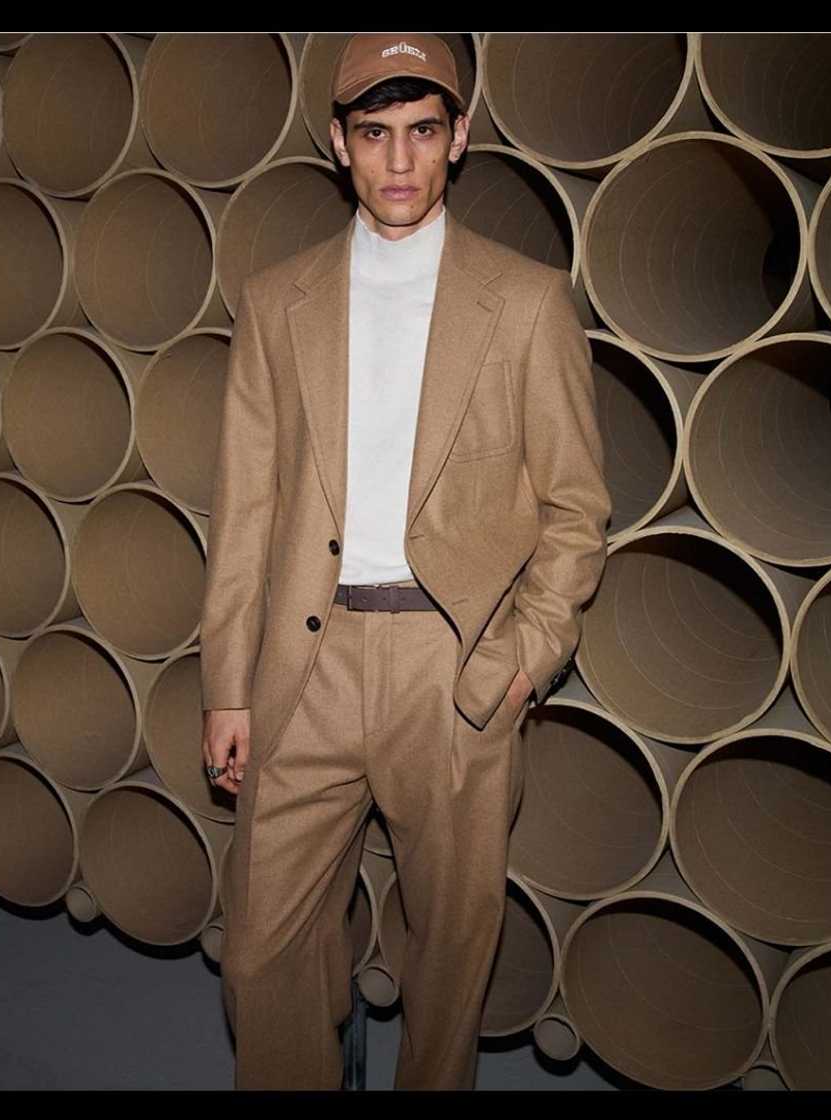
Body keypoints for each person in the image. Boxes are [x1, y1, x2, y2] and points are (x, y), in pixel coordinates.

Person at [199, 32, 611, 1091]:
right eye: (374, 132)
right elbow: (245, 510)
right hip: (307, 665)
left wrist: (524, 659)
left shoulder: (527, 302)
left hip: (454, 668)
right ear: (339, 143)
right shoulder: (275, 301)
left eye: (422, 131)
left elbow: (575, 509)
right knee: (260, 955)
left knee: (449, 967)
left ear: (458, 138)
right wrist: (228, 686)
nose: (397, 159)